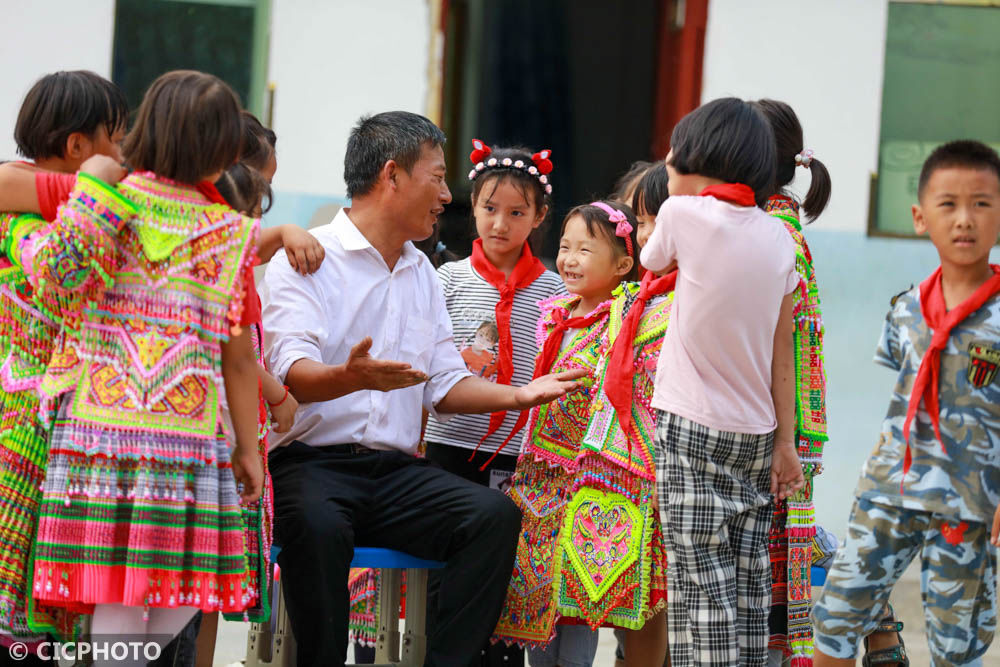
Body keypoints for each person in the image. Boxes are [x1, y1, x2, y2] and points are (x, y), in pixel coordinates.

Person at [260, 110, 585, 667]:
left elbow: (443, 380)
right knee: (318, 526)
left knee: (492, 517)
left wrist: (520, 395)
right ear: (392, 176)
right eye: (436, 177)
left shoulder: (420, 272)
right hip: (311, 466)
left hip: (394, 473)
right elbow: (293, 377)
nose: (445, 195)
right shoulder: (308, 258)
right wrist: (351, 378)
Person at [21, 71, 264, 663]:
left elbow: (52, 279)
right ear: (221, 150)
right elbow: (238, 357)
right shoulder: (233, 232)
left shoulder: (111, 197)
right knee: (178, 587)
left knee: (116, 588)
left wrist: (93, 195)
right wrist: (248, 446)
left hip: (99, 432)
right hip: (189, 437)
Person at [812, 140, 1000, 667]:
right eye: (948, 204)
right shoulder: (906, 310)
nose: (965, 219)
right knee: (837, 616)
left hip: (968, 499)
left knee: (955, 639)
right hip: (888, 489)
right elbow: (904, 394)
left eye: (982, 204)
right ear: (920, 217)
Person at [640, 97, 805, 666]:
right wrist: (786, 442)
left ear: (695, 155)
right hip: (757, 435)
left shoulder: (682, 215)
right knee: (747, 586)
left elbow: (649, 260)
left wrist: (672, 193)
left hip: (690, 429)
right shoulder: (781, 238)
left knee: (700, 592)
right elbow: (784, 350)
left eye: (672, 152)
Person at [0, 70, 128, 648]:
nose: (122, 155)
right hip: (19, 433)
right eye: (116, 139)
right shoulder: (20, 219)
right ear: (78, 146)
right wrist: (98, 187)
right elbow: (63, 267)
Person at [492, 201, 639, 667]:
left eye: (585, 250)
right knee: (538, 595)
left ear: (622, 265)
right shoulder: (556, 311)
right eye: (564, 247)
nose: (570, 259)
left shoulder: (628, 313)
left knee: (579, 597)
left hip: (590, 477)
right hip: (540, 475)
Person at [752, 98, 833, 667]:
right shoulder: (782, 226)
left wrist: (784, 438)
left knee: (764, 582)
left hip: (779, 429)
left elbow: (776, 343)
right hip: (793, 425)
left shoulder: (771, 233)